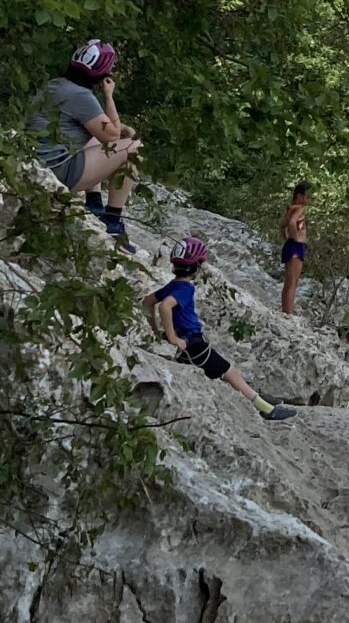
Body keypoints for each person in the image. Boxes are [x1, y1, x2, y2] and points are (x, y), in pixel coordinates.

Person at [149, 238, 298, 421]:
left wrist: (156, 330)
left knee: (225, 371)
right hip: (192, 343)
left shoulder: (173, 285)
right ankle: (265, 409)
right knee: (229, 372)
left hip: (189, 343)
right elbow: (165, 307)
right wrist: (172, 337)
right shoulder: (185, 288)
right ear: (197, 266)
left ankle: (255, 396)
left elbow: (148, 302)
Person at [28, 38, 141, 245]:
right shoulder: (80, 95)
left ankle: (94, 203)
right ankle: (113, 220)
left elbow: (98, 125)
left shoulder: (57, 85)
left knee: (93, 139)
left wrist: (121, 128)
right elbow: (112, 135)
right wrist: (109, 96)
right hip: (60, 171)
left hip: (39, 164)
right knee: (133, 147)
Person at [278, 183, 310, 314]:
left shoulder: (290, 209)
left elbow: (282, 225)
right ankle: (288, 312)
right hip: (296, 247)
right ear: (300, 196)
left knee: (288, 282)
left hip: (289, 245)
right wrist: (297, 238)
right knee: (293, 283)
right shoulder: (300, 209)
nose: (309, 200)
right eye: (308, 197)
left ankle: (286, 309)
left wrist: (287, 239)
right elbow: (291, 224)